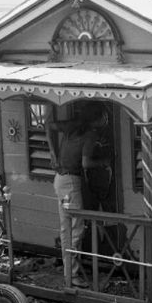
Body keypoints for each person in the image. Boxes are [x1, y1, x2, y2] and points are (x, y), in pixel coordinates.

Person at [45, 104, 110, 288]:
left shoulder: (72, 126)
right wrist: (104, 161)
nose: (106, 120)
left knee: (66, 229)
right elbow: (86, 163)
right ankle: (72, 275)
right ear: (97, 119)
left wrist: (52, 151)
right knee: (77, 229)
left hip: (59, 180)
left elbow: (48, 124)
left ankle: (69, 273)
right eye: (104, 116)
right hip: (71, 184)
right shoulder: (91, 135)